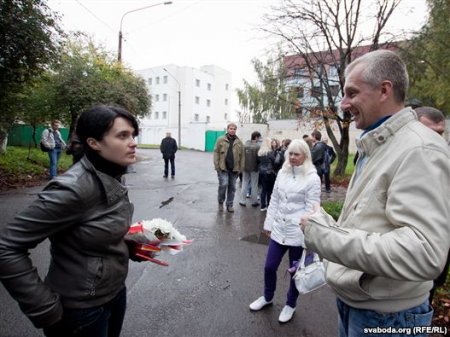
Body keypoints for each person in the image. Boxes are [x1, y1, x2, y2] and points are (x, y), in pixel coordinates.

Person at [301, 50, 450, 337]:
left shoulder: (420, 149)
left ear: (384, 90)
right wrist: (327, 222)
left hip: (389, 318)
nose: (344, 104)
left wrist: (323, 235)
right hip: (361, 306)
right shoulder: (378, 142)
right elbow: (370, 221)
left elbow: (425, 252)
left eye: (352, 93)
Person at [0, 105, 140, 337]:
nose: (133, 142)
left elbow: (93, 233)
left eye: (133, 134)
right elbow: (6, 247)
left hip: (114, 295)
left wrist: (129, 245)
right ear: (94, 143)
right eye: (122, 135)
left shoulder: (111, 172)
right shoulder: (73, 188)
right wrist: (45, 309)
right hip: (81, 311)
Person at [249, 139, 321, 323]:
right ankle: (267, 297)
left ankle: (290, 304)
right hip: (279, 229)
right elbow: (274, 199)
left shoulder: (312, 178)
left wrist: (304, 230)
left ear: (305, 155)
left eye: (297, 154)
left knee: (294, 272)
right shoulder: (282, 172)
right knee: (269, 266)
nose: (293, 157)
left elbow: (312, 208)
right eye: (290, 153)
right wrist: (268, 223)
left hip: (298, 233)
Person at [415, 106, 449, 304]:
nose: (437, 139)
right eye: (430, 133)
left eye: (440, 134)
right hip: (398, 268)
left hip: (434, 257)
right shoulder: (396, 160)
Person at [213, 123, 245, 213]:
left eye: (234, 129)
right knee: (223, 185)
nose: (232, 130)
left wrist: (241, 169)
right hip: (223, 168)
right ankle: (220, 202)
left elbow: (242, 156)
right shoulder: (221, 140)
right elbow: (216, 153)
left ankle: (229, 205)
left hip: (234, 169)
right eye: (231, 128)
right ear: (227, 129)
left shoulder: (239, 142)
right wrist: (217, 166)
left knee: (232, 188)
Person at [239, 131, 261, 208]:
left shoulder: (245, 145)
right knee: (254, 185)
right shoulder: (258, 146)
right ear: (256, 137)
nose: (259, 139)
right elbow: (259, 158)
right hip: (254, 168)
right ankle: (254, 202)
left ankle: (242, 201)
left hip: (245, 167)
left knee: (244, 184)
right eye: (259, 137)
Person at [257, 138, 277, 212]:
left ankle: (262, 206)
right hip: (269, 172)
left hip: (261, 172)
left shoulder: (260, 152)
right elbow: (274, 161)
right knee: (269, 190)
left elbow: (258, 162)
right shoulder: (270, 152)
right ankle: (268, 205)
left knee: (263, 189)